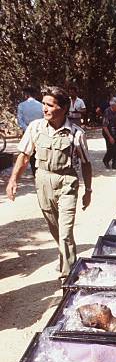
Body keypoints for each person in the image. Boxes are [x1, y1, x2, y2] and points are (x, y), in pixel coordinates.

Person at [6, 86, 92, 282]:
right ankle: (65, 256)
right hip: (43, 182)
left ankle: (68, 276)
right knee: (55, 229)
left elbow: (86, 164)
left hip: (67, 183)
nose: (44, 108)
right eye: (44, 104)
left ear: (63, 109)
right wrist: (13, 180)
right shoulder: (35, 128)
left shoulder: (76, 134)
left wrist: (88, 190)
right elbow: (24, 156)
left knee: (65, 231)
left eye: (50, 105)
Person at [16, 87, 43, 177]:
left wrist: (27, 129)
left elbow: (20, 120)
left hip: (27, 130)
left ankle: (34, 171)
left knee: (28, 152)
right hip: (40, 130)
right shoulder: (41, 105)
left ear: (26, 94)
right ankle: (38, 170)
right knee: (39, 150)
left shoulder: (21, 105)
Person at [102, 97, 116, 169]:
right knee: (111, 148)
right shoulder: (107, 111)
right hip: (108, 131)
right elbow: (104, 126)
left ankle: (115, 164)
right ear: (113, 106)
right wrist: (110, 137)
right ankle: (106, 160)